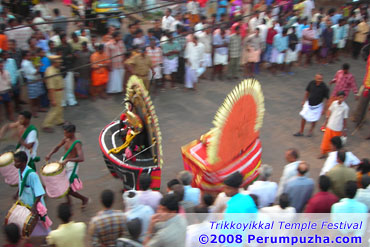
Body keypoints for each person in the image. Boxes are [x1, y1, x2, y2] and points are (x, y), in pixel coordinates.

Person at [45, 123, 89, 207]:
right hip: (64, 162)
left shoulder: (77, 143)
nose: (64, 134)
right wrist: (49, 154)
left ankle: (84, 199)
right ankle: (69, 201)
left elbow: (81, 158)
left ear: (72, 132)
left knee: (66, 187)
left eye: (66, 133)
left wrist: (68, 159)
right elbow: (57, 147)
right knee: (62, 183)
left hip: (71, 166)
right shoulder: (66, 138)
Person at [14, 151, 51, 237]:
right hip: (26, 203)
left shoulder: (32, 175)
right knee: (30, 224)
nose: (15, 164)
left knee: (41, 222)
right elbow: (21, 184)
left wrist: (34, 206)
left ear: (23, 163)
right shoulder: (20, 171)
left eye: (17, 162)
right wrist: (17, 193)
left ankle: (49, 236)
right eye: (14, 161)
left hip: (34, 205)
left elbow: (39, 193)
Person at [319, 91, 349, 158]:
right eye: (340, 97)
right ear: (337, 97)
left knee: (335, 144)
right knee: (326, 141)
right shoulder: (334, 103)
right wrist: (325, 122)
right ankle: (323, 153)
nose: (341, 99)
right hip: (330, 125)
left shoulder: (345, 107)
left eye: (342, 98)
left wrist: (344, 129)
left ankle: (333, 156)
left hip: (338, 128)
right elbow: (329, 112)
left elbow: (345, 119)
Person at [42, 55, 65, 133]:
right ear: (54, 63)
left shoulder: (54, 69)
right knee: (54, 109)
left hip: (59, 91)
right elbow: (50, 88)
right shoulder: (51, 72)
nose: (60, 64)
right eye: (59, 63)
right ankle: (46, 125)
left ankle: (59, 120)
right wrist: (52, 99)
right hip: (54, 92)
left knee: (59, 107)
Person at [21, 51, 44, 118]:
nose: (30, 56)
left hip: (36, 80)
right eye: (29, 55)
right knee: (33, 97)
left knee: (38, 95)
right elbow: (35, 72)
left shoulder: (29, 61)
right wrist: (38, 66)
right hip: (32, 81)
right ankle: (33, 111)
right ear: (25, 56)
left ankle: (39, 108)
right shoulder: (25, 64)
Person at [352, 54, 370, 129]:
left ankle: (359, 121)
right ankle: (360, 120)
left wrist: (367, 87)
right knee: (363, 105)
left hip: (368, 87)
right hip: (367, 85)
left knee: (362, 104)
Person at [59, 33, 77, 107]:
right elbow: (61, 57)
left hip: (69, 67)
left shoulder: (68, 45)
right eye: (64, 38)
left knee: (70, 86)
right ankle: (63, 102)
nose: (65, 39)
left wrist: (69, 56)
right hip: (62, 69)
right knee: (63, 86)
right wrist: (67, 57)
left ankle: (71, 101)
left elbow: (72, 55)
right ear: (61, 39)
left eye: (65, 38)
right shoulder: (59, 47)